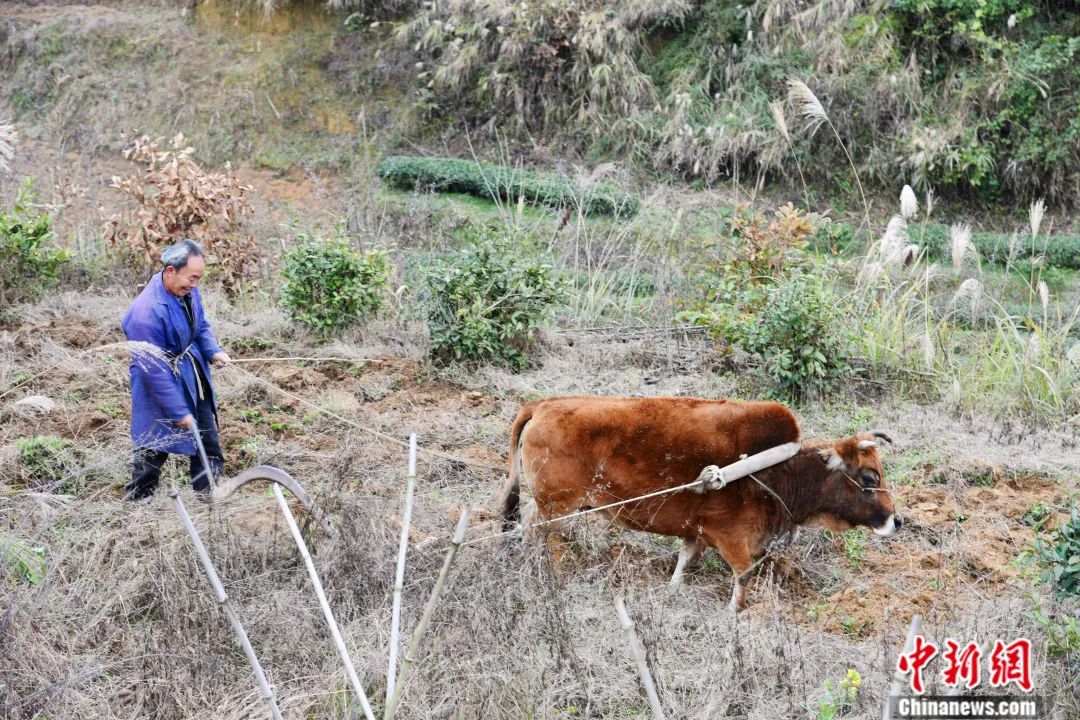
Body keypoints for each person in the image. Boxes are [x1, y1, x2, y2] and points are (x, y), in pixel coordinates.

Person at [122, 238, 231, 500]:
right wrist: (178, 411)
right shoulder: (144, 314)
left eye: (198, 279)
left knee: (207, 438)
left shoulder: (187, 289)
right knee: (154, 448)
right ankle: (138, 504)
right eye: (191, 278)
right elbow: (153, 372)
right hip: (158, 385)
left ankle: (209, 497)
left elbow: (200, 324)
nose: (195, 285)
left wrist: (212, 351)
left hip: (192, 375)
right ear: (171, 271)